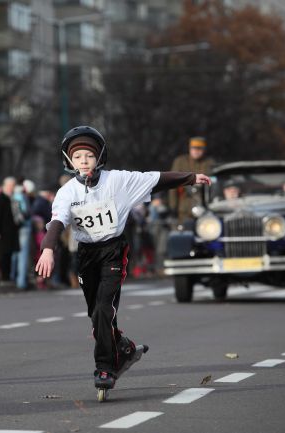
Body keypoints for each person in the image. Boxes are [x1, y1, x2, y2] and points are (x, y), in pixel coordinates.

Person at [35, 126, 211, 396]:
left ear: (99, 158)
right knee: (97, 316)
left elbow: (155, 179)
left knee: (106, 309)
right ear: (69, 161)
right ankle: (124, 348)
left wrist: (189, 178)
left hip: (113, 251)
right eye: (78, 156)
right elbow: (57, 224)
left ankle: (105, 368)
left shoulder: (118, 181)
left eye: (89, 156)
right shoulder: (67, 192)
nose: (84, 161)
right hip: (86, 254)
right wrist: (48, 249)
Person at [168, 136, 215, 226]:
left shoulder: (210, 162)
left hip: (205, 205)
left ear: (204, 150)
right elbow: (173, 185)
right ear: (189, 149)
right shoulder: (180, 162)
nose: (196, 151)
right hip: (184, 206)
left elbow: (214, 184)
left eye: (200, 149)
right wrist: (173, 207)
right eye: (194, 148)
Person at [0, 177, 20, 284]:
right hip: (2, 234)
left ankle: (7, 277)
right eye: (11, 186)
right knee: (2, 257)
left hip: (10, 233)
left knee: (8, 256)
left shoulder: (10, 198)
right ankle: (2, 278)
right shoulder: (0, 198)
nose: (12, 188)